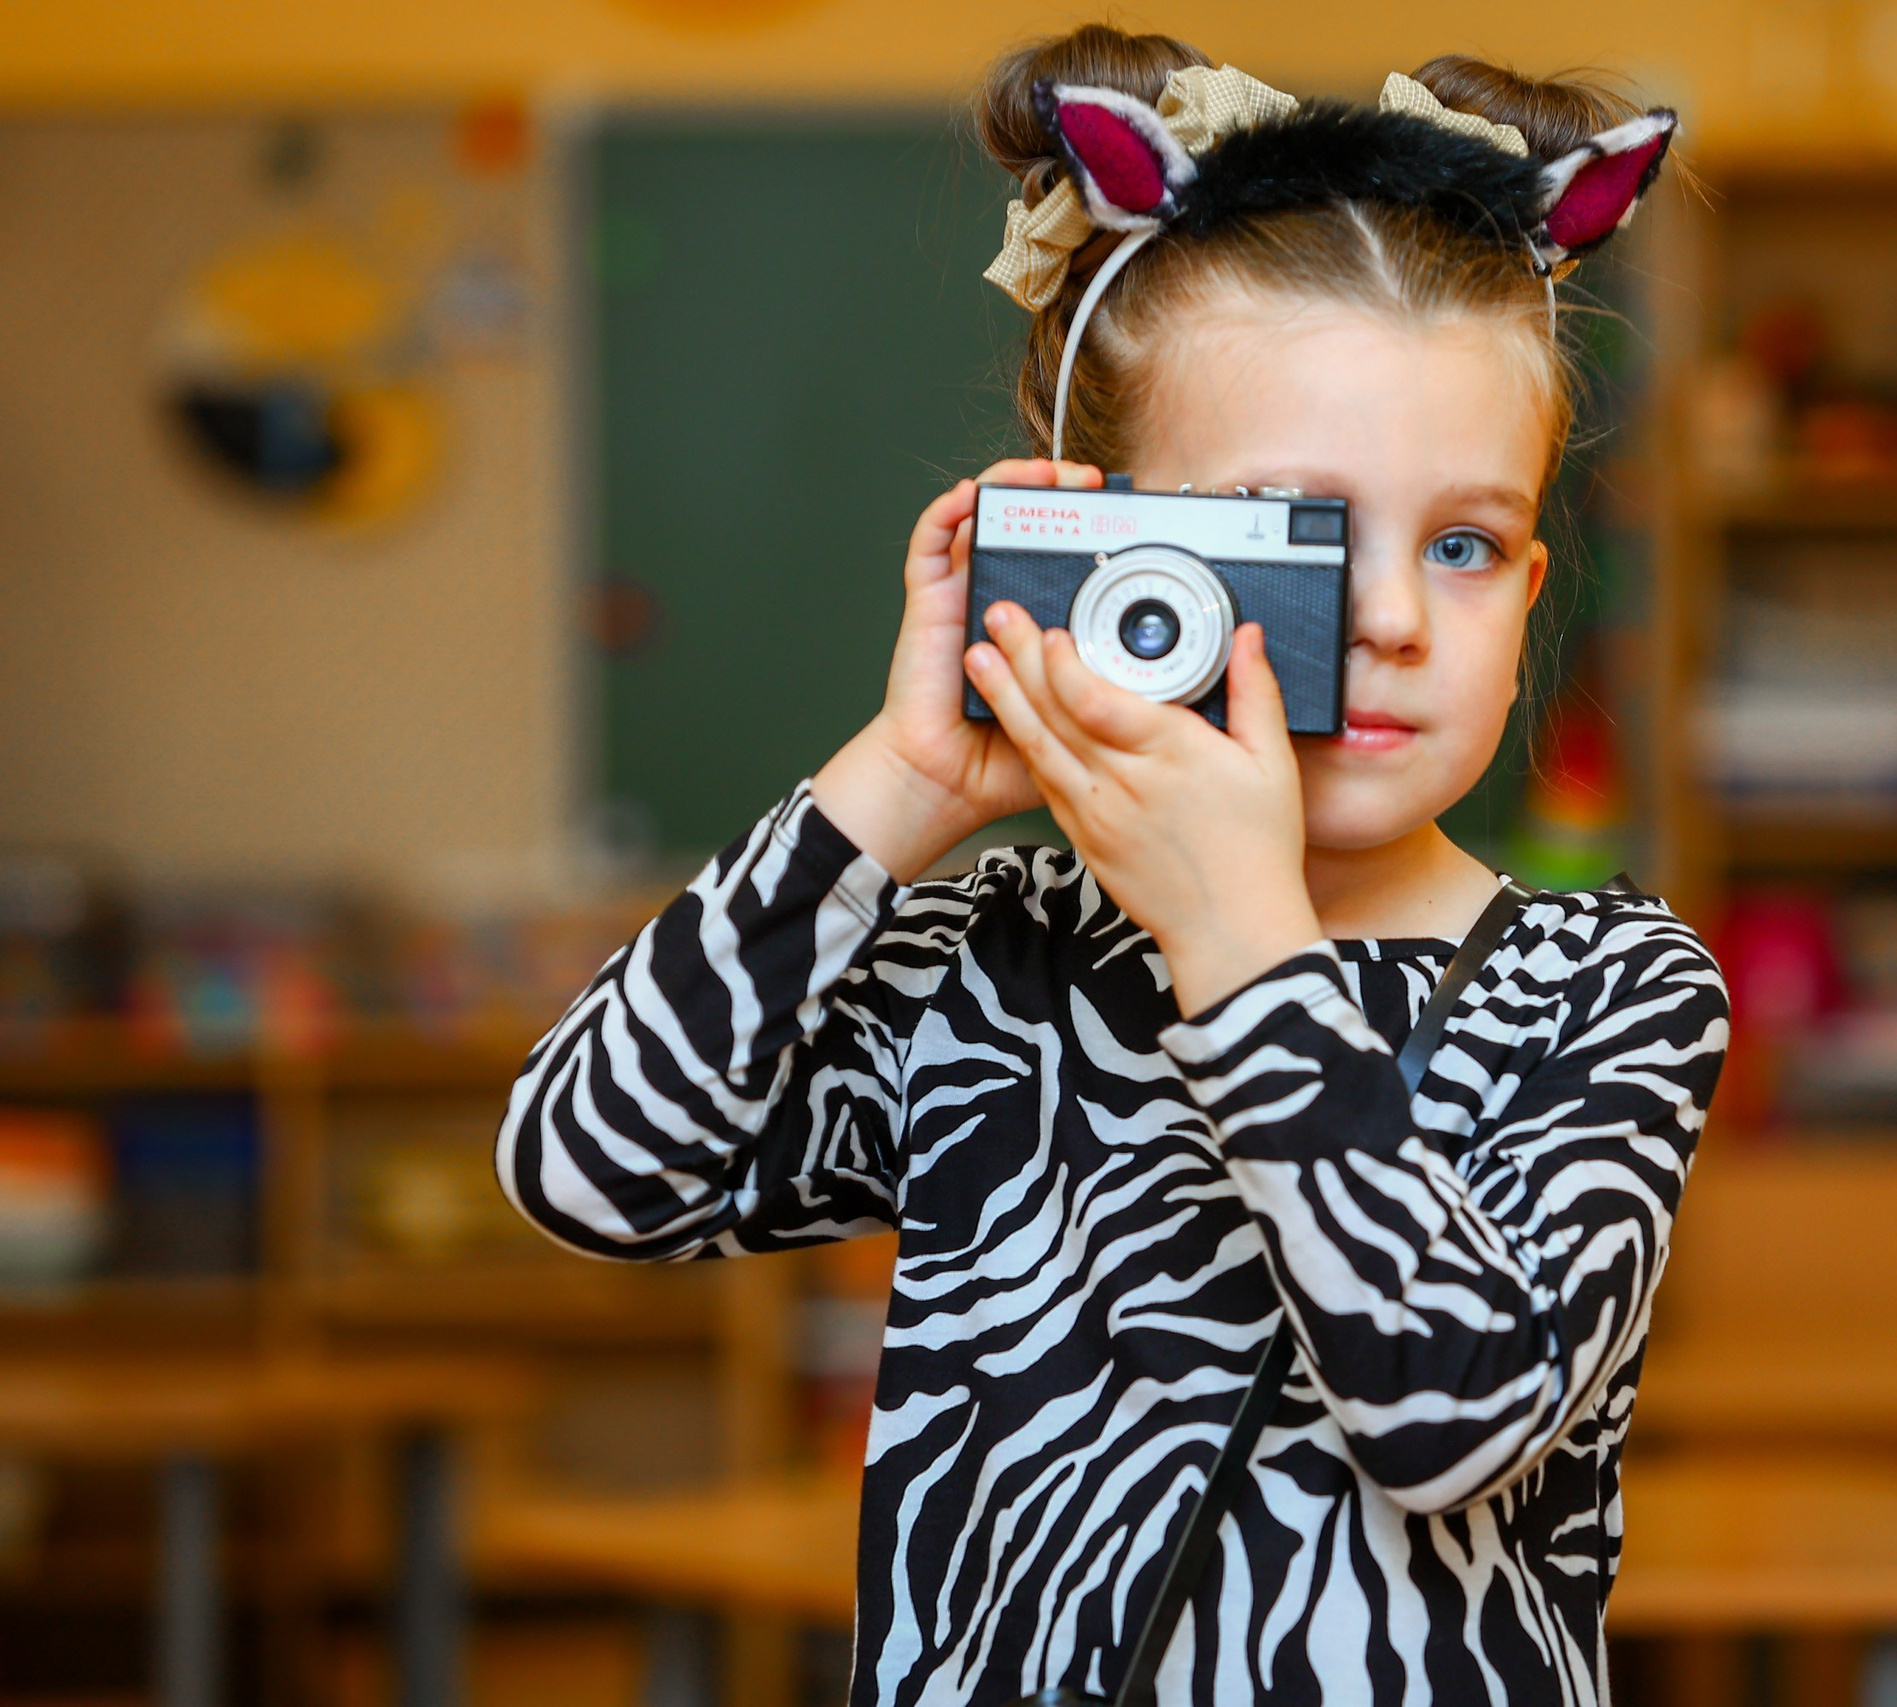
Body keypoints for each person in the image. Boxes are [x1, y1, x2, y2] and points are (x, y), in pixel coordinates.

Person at [497, 26, 1728, 1707]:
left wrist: (1239, 933)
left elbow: (1453, 1417)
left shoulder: (1610, 988)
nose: (1385, 617)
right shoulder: (1001, 963)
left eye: (1462, 544)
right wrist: (899, 788)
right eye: (1303, 529)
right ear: (1115, 547)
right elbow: (590, 1172)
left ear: (1528, 586)